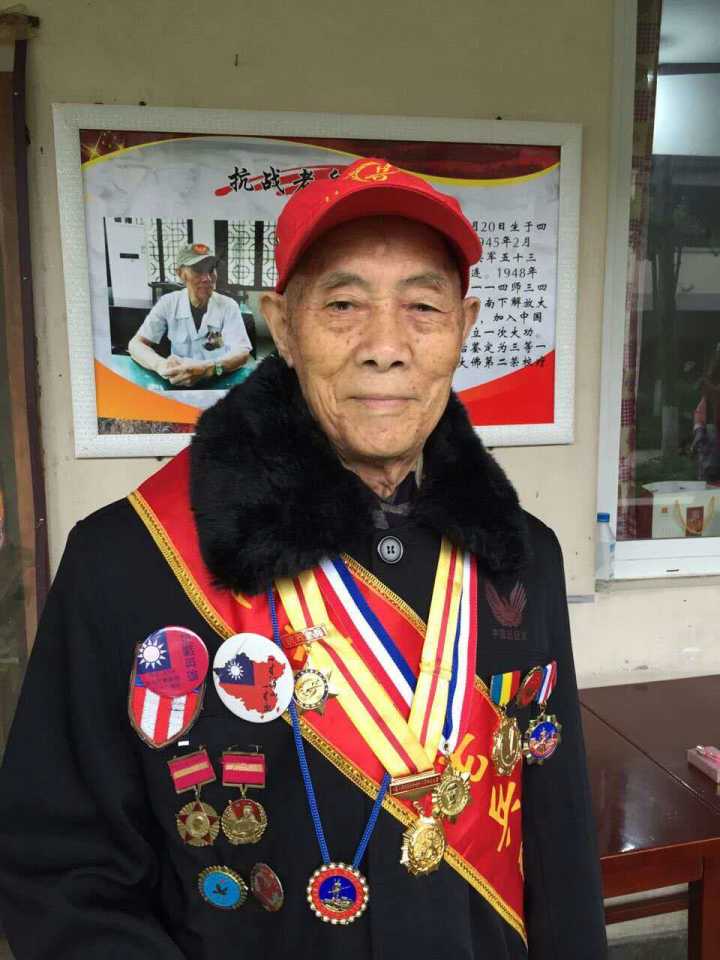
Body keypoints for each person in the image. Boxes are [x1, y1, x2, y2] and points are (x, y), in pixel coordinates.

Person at [0, 158, 607, 959]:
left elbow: (558, 847)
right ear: (282, 326)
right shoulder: (130, 562)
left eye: (422, 306)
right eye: (344, 305)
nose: (384, 347)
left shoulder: (523, 558)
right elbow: (63, 878)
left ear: (464, 325)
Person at [128, 242, 252, 387]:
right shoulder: (168, 303)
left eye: (211, 270)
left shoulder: (228, 306)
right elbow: (136, 344)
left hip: (218, 381)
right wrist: (161, 365)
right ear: (181, 274)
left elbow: (242, 352)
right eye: (198, 270)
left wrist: (209, 369)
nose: (207, 278)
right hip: (178, 382)